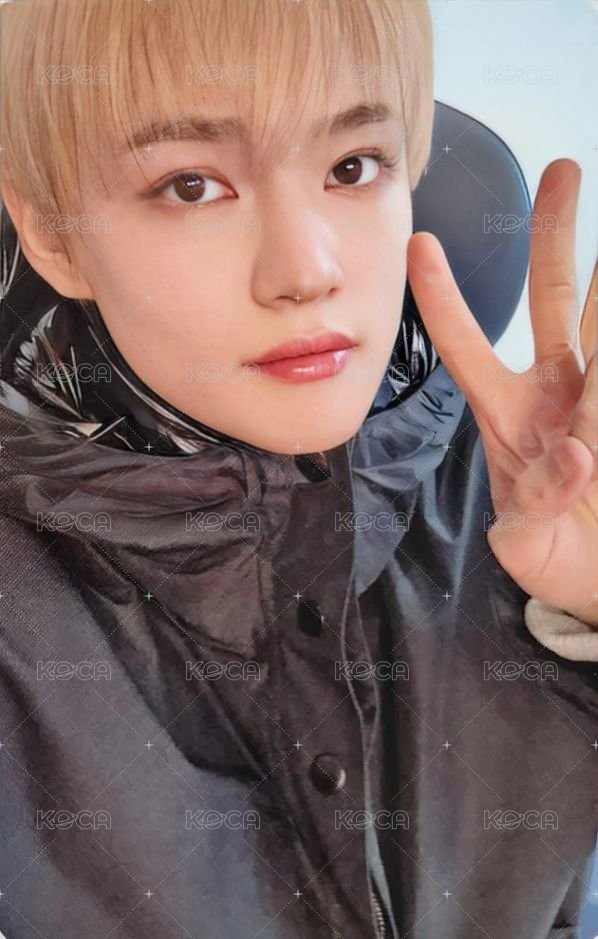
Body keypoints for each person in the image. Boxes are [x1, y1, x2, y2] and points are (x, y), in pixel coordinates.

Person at [0, 0, 597, 936]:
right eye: (192, 185)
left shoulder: (536, 492)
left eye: (352, 167)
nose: (306, 269)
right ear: (53, 233)